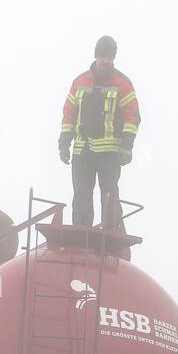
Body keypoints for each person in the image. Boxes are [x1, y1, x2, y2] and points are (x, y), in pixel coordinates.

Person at [58, 36, 140, 228]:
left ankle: (112, 234)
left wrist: (127, 147)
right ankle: (81, 236)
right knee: (81, 198)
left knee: (109, 197)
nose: (105, 60)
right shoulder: (79, 82)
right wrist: (63, 143)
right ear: (96, 56)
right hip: (82, 152)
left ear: (114, 58)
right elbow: (68, 114)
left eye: (109, 57)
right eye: (102, 56)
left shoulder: (123, 84)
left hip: (109, 155)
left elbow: (132, 117)